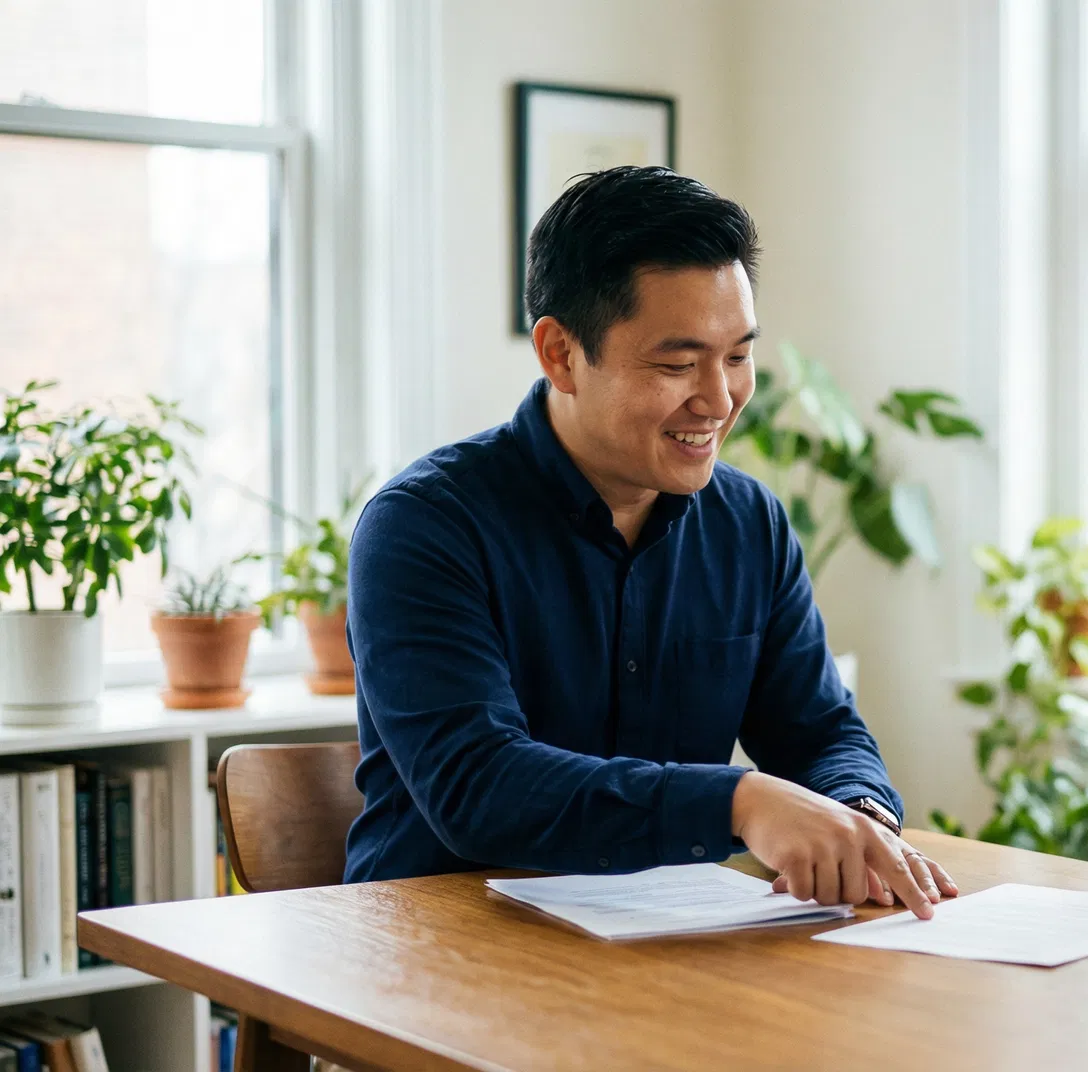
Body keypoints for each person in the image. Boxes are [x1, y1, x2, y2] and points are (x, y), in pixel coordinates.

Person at [343, 166, 958, 918]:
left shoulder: (749, 524)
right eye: (676, 364)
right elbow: (480, 786)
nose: (720, 398)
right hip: (439, 950)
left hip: (662, 942)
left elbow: (820, 729)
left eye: (737, 356)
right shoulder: (425, 527)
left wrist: (857, 813)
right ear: (560, 354)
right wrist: (739, 802)